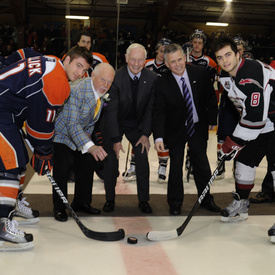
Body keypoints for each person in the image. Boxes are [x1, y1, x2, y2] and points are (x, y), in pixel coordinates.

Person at [0, 46, 93, 251]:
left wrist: (6, 62)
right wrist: (44, 152)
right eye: (78, 65)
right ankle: (1, 225)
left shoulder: (49, 60)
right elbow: (40, 127)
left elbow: (25, 53)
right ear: (67, 59)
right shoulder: (58, 82)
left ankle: (14, 203)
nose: (79, 73)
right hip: (3, 112)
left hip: (8, 113)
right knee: (11, 163)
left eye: (84, 70)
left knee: (20, 158)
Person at [212, 37, 275, 242]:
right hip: (260, 126)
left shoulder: (250, 73)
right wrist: (236, 139)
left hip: (269, 122)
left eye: (228, 54)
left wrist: (233, 141)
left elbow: (256, 116)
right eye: (220, 57)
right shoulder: (224, 75)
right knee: (244, 163)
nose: (225, 61)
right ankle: (242, 205)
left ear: (239, 54)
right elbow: (244, 108)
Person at [152, 43, 220, 215]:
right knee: (175, 166)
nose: (178, 64)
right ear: (166, 64)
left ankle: (206, 199)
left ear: (185, 58)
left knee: (201, 164)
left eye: (180, 59)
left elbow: (210, 97)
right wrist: (158, 137)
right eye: (173, 62)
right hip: (175, 130)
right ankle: (175, 203)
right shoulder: (162, 83)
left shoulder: (199, 73)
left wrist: (212, 118)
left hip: (197, 126)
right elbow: (158, 112)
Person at [52, 63, 115, 222]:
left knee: (88, 161)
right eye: (103, 80)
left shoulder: (100, 91)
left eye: (109, 82)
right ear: (92, 75)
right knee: (62, 166)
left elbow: (91, 120)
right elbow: (72, 125)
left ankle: (81, 202)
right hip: (61, 134)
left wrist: (87, 139)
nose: (105, 85)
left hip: (79, 132)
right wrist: (90, 146)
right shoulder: (76, 90)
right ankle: (59, 207)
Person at [102, 43, 158, 214]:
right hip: (115, 122)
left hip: (137, 125)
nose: (136, 63)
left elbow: (151, 109)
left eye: (140, 60)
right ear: (126, 59)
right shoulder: (116, 77)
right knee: (111, 160)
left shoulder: (153, 78)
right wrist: (116, 139)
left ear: (145, 61)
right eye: (132, 59)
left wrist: (145, 134)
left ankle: (144, 200)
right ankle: (110, 199)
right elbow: (111, 111)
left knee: (142, 157)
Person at [123, 38, 172, 183]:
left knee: (161, 137)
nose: (163, 54)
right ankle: (134, 165)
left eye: (166, 51)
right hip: (144, 105)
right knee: (137, 137)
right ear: (157, 50)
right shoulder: (146, 62)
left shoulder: (169, 65)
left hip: (161, 106)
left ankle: (162, 166)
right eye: (162, 50)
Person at [186, 29, 221, 179]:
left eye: (200, 43)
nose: (197, 45)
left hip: (201, 104)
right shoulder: (184, 58)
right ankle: (188, 157)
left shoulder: (210, 62)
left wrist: (211, 111)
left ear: (203, 45)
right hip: (186, 101)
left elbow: (213, 87)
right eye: (194, 42)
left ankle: (195, 160)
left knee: (198, 136)